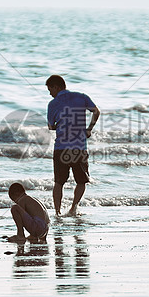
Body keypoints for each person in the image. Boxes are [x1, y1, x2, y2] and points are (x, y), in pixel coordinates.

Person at [46, 74, 100, 216]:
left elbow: (51, 126)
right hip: (79, 147)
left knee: (59, 182)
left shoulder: (53, 104)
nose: (50, 93)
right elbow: (96, 111)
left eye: (50, 89)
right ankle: (73, 208)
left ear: (56, 87)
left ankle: (57, 212)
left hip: (61, 147)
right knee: (81, 181)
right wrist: (89, 129)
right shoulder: (81, 97)